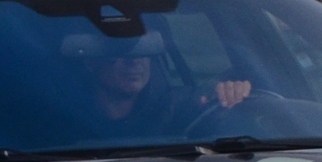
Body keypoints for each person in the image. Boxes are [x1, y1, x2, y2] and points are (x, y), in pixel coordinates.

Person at [61, 28, 253, 136]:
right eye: (120, 52)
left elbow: (204, 106)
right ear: (91, 63)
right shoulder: (61, 122)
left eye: (143, 51)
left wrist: (232, 94)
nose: (134, 61)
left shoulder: (174, 109)